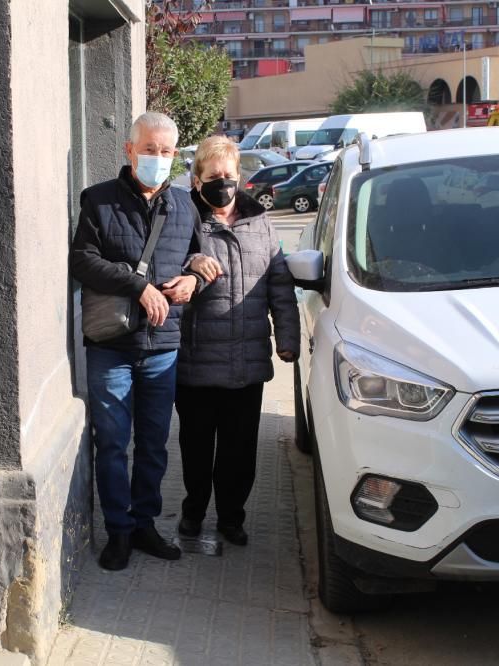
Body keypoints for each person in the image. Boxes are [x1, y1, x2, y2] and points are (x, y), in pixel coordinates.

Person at [69, 112, 220, 571]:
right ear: (129, 150)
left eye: (166, 151)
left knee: (154, 444)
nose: (157, 158)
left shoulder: (184, 205)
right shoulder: (98, 200)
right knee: (112, 442)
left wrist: (195, 280)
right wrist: (139, 286)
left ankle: (145, 525)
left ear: (175, 156)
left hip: (163, 347)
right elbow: (82, 261)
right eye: (149, 149)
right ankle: (118, 531)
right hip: (111, 346)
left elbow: (202, 259)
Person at [177, 135, 300, 546]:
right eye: (213, 176)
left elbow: (279, 285)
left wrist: (288, 339)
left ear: (240, 178)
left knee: (239, 451)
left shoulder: (261, 225)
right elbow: (163, 262)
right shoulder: (184, 220)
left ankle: (231, 517)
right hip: (195, 360)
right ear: (197, 181)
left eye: (229, 175)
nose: (223, 183)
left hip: (246, 361)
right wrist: (191, 261)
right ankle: (193, 512)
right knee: (196, 448)